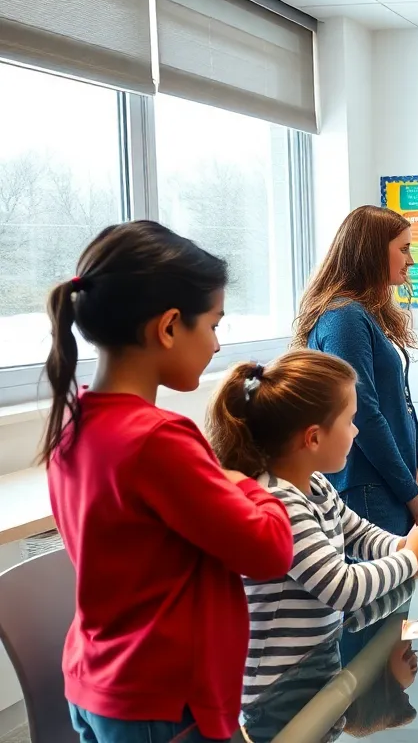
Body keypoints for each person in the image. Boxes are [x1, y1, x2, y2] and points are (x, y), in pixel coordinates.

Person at [42, 221, 293, 743]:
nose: (216, 344)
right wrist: (244, 482)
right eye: (214, 325)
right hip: (161, 700)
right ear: (170, 326)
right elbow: (269, 550)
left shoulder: (78, 420)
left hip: (100, 682)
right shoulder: (157, 438)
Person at [204, 350, 418, 707]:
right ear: (313, 438)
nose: (355, 430)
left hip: (317, 665)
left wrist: (406, 545)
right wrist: (414, 555)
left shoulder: (317, 485)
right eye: (350, 420)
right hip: (275, 691)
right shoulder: (277, 503)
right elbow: (342, 588)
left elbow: (362, 535)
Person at [294, 205, 418, 535]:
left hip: (389, 478)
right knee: (388, 582)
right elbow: (364, 413)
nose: (410, 260)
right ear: (371, 252)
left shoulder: (362, 313)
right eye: (403, 249)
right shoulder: (344, 317)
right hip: (367, 484)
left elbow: (400, 400)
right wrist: (408, 490)